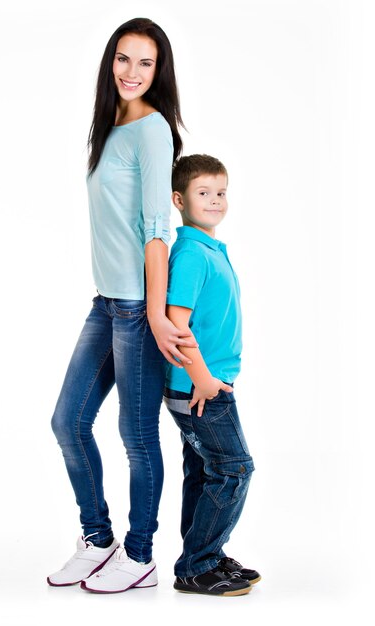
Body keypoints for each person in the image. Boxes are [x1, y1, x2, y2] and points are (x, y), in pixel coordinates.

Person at [48, 17, 196, 594]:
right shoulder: (111, 125)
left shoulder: (153, 131)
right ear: (110, 63)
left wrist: (157, 312)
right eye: (123, 59)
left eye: (146, 63)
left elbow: (157, 229)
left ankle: (139, 554)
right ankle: (98, 539)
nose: (132, 72)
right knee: (68, 421)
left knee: (137, 438)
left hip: (136, 306)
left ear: (160, 73)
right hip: (107, 302)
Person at [163, 154, 260, 596]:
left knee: (205, 472)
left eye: (221, 192)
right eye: (204, 193)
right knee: (234, 468)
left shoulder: (210, 249)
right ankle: (197, 565)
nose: (216, 200)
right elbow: (176, 323)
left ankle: (207, 555)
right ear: (179, 199)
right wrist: (202, 377)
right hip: (199, 386)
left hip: (207, 382)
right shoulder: (190, 255)